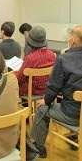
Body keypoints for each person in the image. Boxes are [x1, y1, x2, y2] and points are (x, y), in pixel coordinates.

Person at [30, 25, 82, 158]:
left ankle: (38, 148)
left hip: (73, 114)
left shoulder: (63, 59)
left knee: (41, 109)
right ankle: (74, 136)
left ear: (74, 39)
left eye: (70, 36)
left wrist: (46, 100)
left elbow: (53, 86)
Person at [16, 26, 56, 96]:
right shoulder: (52, 55)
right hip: (48, 90)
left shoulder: (30, 58)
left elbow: (19, 80)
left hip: (31, 92)